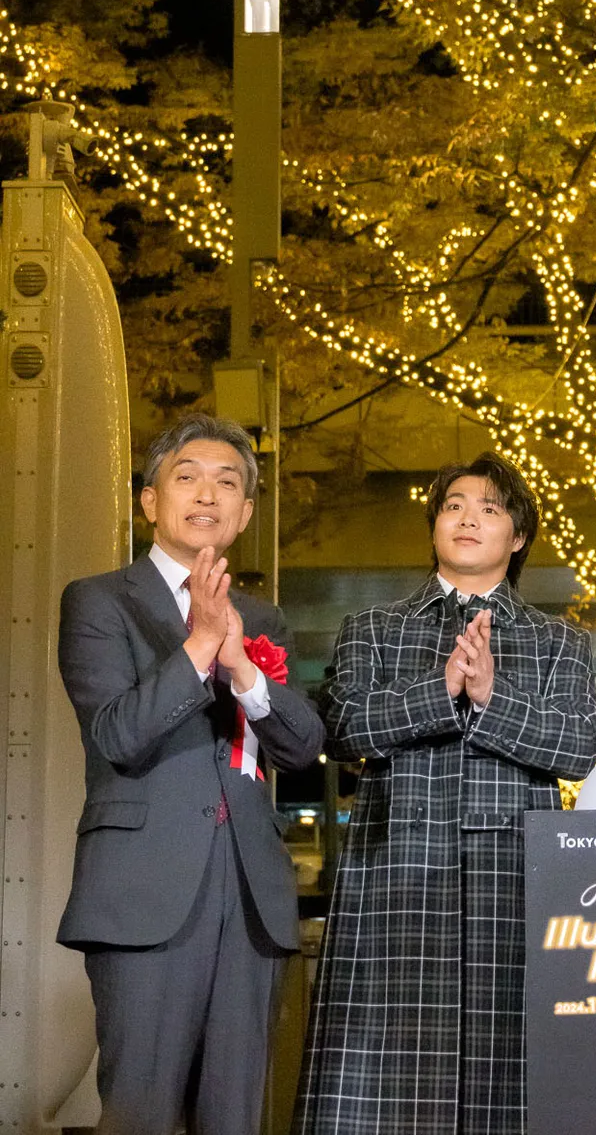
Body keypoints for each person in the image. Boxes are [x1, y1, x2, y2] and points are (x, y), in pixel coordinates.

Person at [292, 451, 596, 1135]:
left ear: (518, 536)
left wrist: (492, 696)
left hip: (514, 878)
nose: (469, 517)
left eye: (491, 508)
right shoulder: (374, 627)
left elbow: (581, 746)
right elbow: (343, 727)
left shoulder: (560, 642)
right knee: (380, 1081)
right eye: (455, 504)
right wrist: (439, 691)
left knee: (512, 1077)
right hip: (394, 870)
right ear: (434, 522)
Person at [57, 414, 326, 1135]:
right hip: (145, 893)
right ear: (149, 502)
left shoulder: (263, 615)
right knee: (140, 1113)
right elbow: (116, 732)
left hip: (249, 894)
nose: (207, 494)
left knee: (235, 1116)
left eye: (227, 483)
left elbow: (301, 748)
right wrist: (203, 641)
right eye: (187, 477)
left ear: (243, 514)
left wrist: (242, 665)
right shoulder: (98, 600)